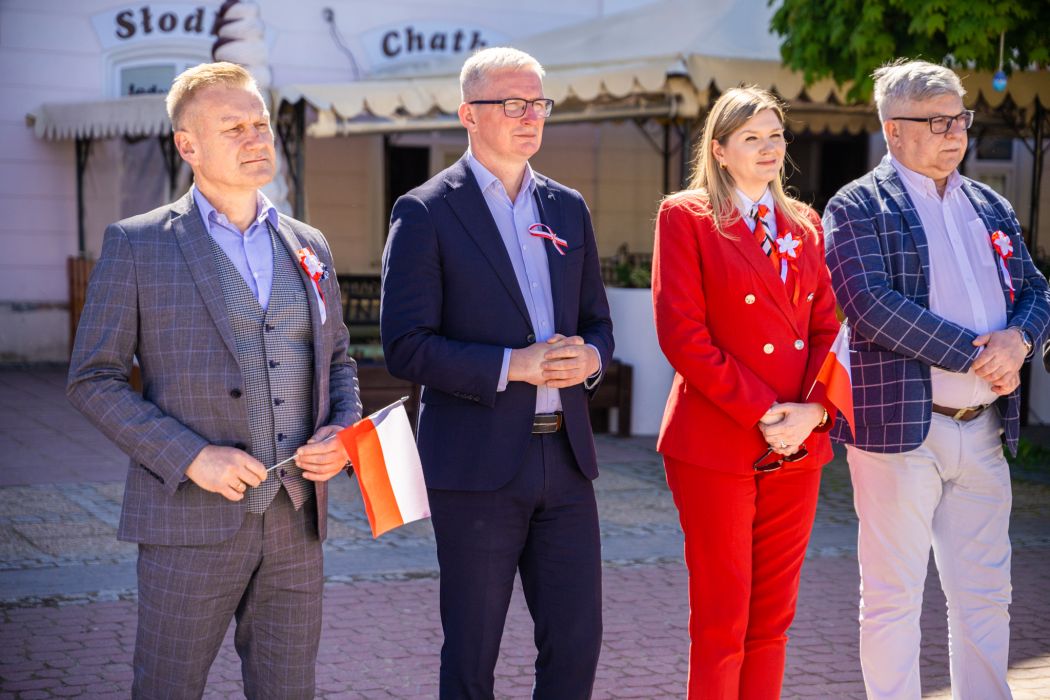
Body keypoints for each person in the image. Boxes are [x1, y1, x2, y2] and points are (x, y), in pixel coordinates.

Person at [67, 61, 361, 698]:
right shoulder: (138, 244)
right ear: (188, 145)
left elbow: (338, 361)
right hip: (187, 522)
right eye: (234, 128)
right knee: (167, 687)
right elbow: (93, 378)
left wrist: (342, 432)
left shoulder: (309, 244)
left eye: (261, 124)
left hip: (295, 523)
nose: (257, 138)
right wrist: (192, 457)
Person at [380, 47, 613, 698]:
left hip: (566, 462)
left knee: (576, 645)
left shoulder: (567, 207)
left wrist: (591, 358)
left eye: (538, 103)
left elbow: (597, 321)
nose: (530, 116)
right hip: (474, 466)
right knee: (472, 652)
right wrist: (515, 365)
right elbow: (405, 346)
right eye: (512, 104)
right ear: (468, 115)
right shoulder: (425, 211)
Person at [823, 59, 1050, 699]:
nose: (956, 134)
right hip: (900, 431)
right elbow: (869, 304)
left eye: (961, 119)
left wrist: (1018, 340)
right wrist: (978, 356)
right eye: (938, 122)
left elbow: (1035, 289)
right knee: (893, 597)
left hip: (983, 430)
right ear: (893, 130)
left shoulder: (990, 203)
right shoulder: (857, 205)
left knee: (986, 593)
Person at [651, 86, 841, 698]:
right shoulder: (686, 216)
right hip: (718, 438)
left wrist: (813, 412)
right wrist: (764, 411)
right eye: (751, 138)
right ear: (719, 149)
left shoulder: (805, 223)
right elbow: (682, 335)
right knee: (722, 619)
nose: (768, 148)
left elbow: (828, 329)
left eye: (775, 136)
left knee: (772, 621)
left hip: (798, 443)